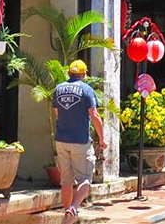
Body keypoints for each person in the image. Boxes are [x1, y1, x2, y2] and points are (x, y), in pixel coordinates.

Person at [53, 60, 106, 218]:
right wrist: (102, 139)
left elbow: (57, 113)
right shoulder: (86, 89)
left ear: (69, 73)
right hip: (80, 141)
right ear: (84, 74)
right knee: (85, 179)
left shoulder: (59, 88)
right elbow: (94, 115)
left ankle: (67, 212)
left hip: (61, 141)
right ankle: (74, 208)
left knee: (66, 180)